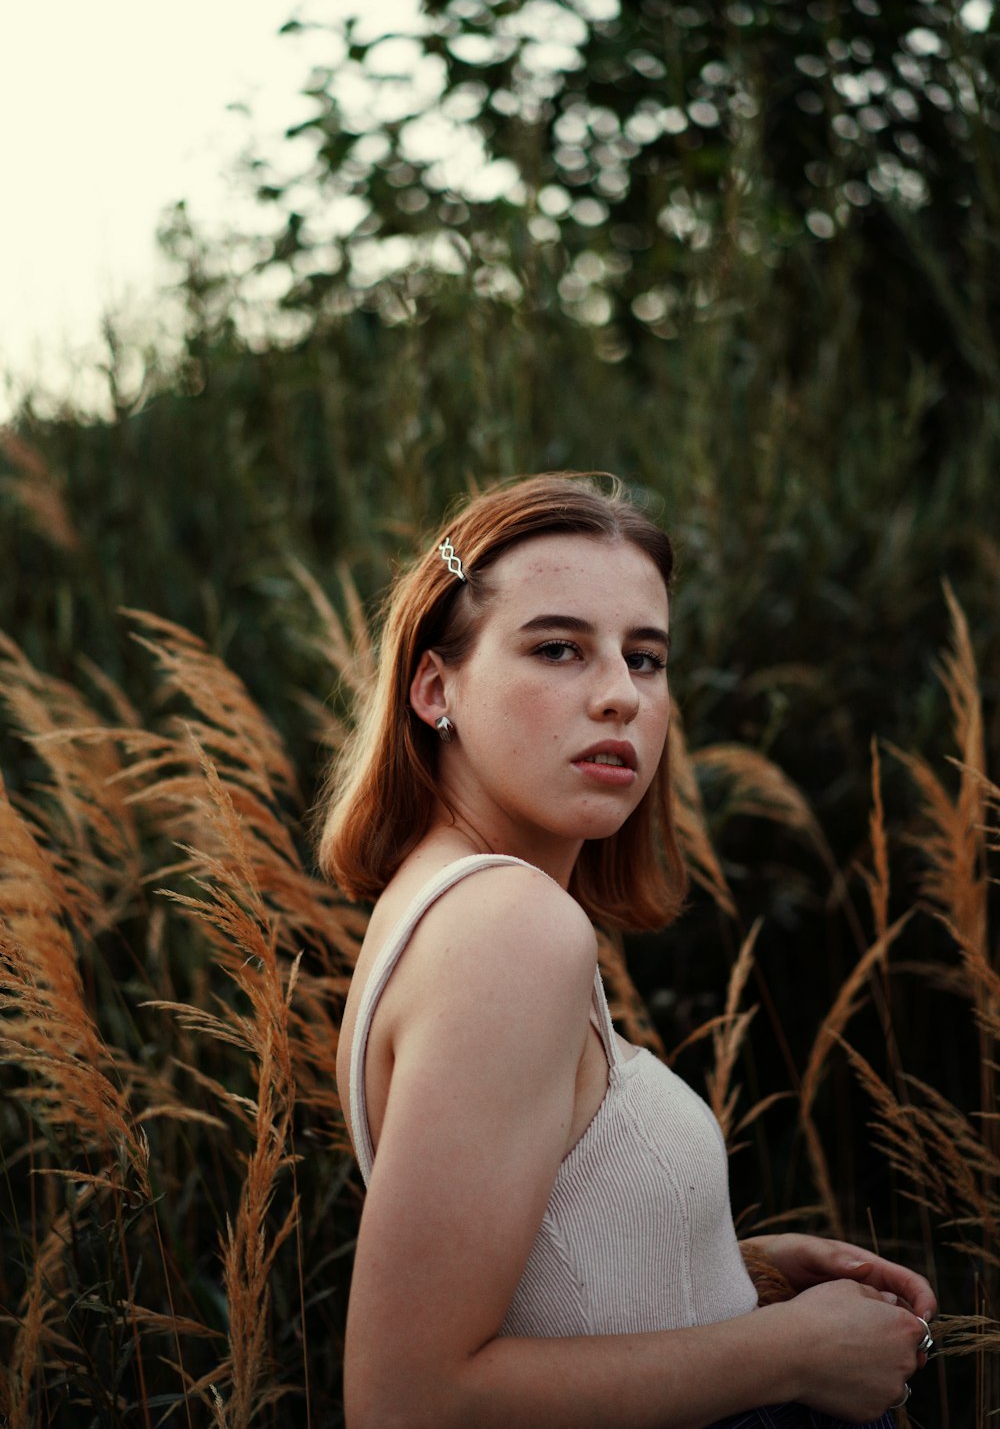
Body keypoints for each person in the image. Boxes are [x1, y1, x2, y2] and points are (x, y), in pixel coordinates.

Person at [320, 473, 936, 1429]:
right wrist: (791, 1350)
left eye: (645, 659)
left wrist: (739, 1272)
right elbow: (409, 1401)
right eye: (558, 648)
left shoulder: (447, 908)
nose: (618, 696)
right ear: (436, 687)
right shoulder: (507, 927)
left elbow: (539, 1281)